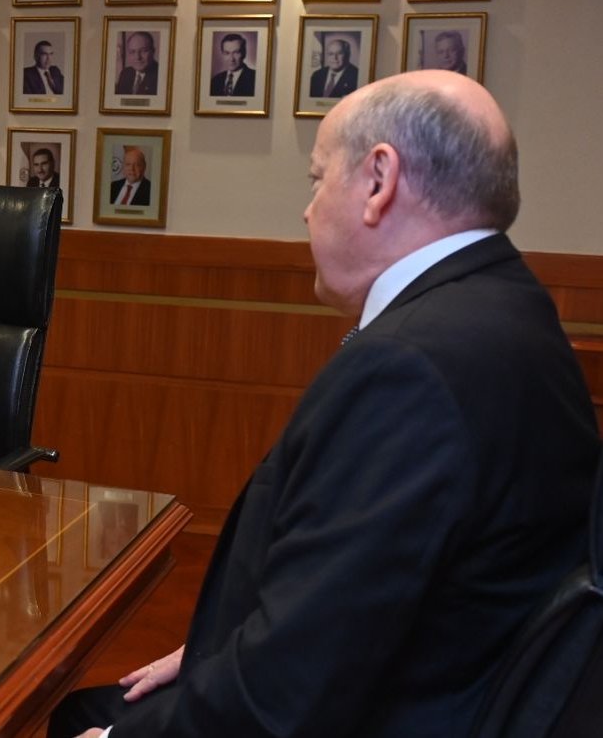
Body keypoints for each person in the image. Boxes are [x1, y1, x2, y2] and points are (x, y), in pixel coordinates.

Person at [49, 70, 601, 738]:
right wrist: (214, 652)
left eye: (316, 179)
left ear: (377, 181)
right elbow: (357, 599)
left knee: (83, 720)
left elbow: (289, 692)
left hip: (384, 713)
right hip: (433, 680)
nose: (307, 210)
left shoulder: (408, 369)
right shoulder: (509, 307)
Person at [113, 31, 158, 96]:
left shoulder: (161, 76)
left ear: (153, 51)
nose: (137, 57)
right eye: (132, 52)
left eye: (143, 51)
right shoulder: (125, 73)